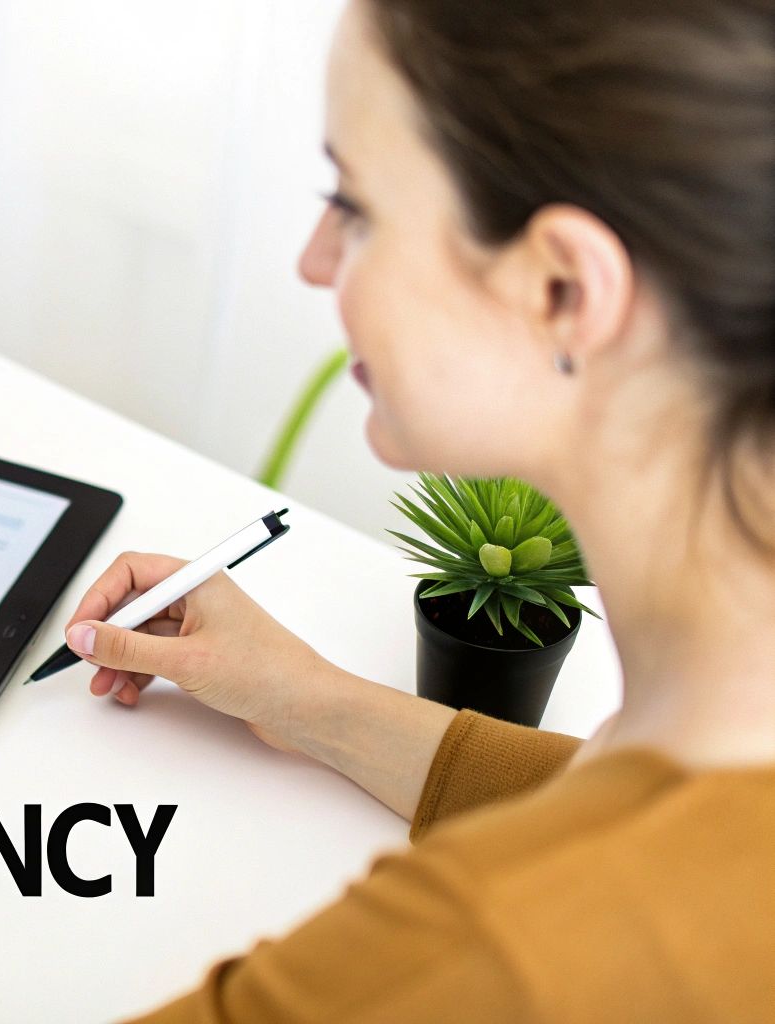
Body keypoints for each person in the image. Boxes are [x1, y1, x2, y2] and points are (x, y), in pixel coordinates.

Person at [61, 0, 775, 1019]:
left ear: (561, 290)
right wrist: (313, 702)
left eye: (351, 204)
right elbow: (663, 819)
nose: (314, 260)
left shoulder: (492, 951)